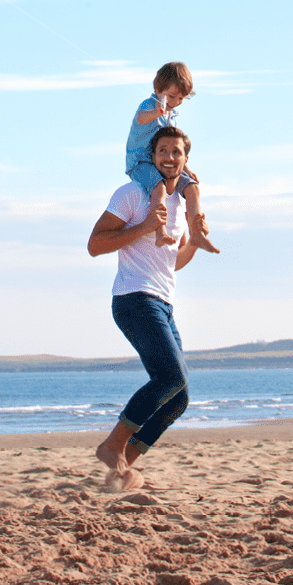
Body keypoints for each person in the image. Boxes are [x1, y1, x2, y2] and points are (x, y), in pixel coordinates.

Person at [89, 125, 203, 489]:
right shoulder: (133, 194)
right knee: (170, 377)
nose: (169, 158)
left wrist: (196, 240)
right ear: (152, 157)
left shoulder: (179, 202)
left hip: (163, 301)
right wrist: (141, 229)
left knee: (178, 396)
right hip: (134, 298)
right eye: (163, 151)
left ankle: (121, 469)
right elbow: (95, 245)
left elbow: (174, 261)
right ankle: (112, 445)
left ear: (185, 161)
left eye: (176, 153)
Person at [125, 61, 218, 253]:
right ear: (158, 89)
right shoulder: (149, 105)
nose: (175, 101)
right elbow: (141, 118)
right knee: (159, 187)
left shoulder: (172, 114)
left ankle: (197, 233)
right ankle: (160, 231)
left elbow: (173, 147)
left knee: (192, 188)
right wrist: (157, 111)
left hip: (162, 164)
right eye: (171, 96)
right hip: (141, 162)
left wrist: (186, 169)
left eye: (181, 98)